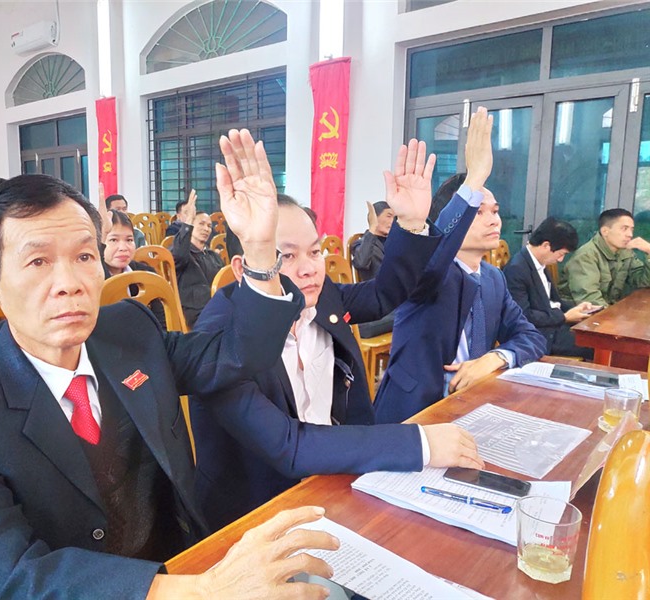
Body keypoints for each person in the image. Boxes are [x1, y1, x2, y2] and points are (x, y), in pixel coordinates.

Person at [0, 129, 342, 599]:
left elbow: (238, 355)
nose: (69, 283)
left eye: (84, 256)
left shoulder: (129, 330)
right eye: (38, 262)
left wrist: (259, 249)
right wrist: (201, 591)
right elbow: (0, 575)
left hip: (187, 564)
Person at [191, 128, 488, 531]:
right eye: (287, 256)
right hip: (256, 514)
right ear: (246, 268)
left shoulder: (320, 295)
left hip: (339, 484)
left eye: (315, 251)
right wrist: (419, 443)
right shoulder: (219, 336)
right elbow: (289, 445)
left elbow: (386, 293)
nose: (309, 268)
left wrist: (413, 222)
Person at [373, 109, 546, 424]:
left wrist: (494, 358)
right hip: (415, 411)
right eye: (478, 212)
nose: (493, 220)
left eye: (495, 211)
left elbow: (530, 336)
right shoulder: (428, 273)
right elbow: (433, 251)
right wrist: (474, 179)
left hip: (475, 402)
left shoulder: (493, 278)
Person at [503, 218, 597, 359]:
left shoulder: (539, 263)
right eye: (561, 254)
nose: (560, 260)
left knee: (595, 335)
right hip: (539, 335)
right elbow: (523, 315)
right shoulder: (516, 269)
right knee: (597, 345)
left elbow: (553, 301)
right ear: (546, 245)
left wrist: (578, 308)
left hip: (552, 326)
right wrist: (564, 317)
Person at [558, 208, 650, 306]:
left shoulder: (625, 252)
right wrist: (616, 314)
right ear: (605, 231)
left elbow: (643, 282)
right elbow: (590, 300)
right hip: (578, 311)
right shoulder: (585, 257)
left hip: (607, 309)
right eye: (624, 229)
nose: (630, 235)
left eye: (632, 229)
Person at [101, 209, 167, 329]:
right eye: (113, 240)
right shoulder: (91, 278)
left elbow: (161, 323)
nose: (123, 247)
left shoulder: (146, 274)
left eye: (129, 240)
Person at [172, 190, 224, 327]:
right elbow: (178, 255)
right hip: (196, 312)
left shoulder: (213, 256)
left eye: (209, 226)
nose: (206, 229)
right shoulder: (182, 253)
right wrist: (188, 220)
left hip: (218, 306)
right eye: (201, 224)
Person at [350, 200, 395, 282]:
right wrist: (373, 227)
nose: (392, 221)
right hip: (378, 287)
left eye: (394, 218)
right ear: (374, 218)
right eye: (389, 216)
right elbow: (361, 263)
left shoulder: (393, 242)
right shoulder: (361, 243)